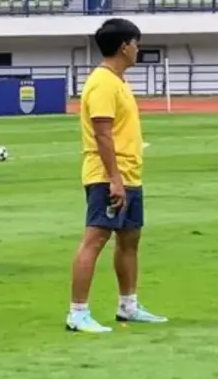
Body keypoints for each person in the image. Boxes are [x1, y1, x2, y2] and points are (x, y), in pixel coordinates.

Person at [66, 18, 167, 333]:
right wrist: (114, 179)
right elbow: (102, 134)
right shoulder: (102, 83)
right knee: (95, 237)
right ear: (124, 46)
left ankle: (128, 305)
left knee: (129, 238)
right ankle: (78, 312)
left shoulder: (118, 81)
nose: (138, 49)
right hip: (108, 174)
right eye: (136, 43)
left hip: (128, 173)